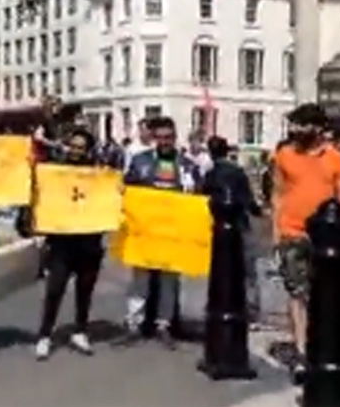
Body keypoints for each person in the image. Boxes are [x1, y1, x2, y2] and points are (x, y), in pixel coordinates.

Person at [272, 103, 340, 377]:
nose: (297, 130)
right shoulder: (284, 154)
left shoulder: (334, 158)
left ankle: (321, 345)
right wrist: (276, 233)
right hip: (292, 231)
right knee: (297, 293)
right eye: (295, 124)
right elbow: (278, 193)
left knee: (323, 293)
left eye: (303, 124)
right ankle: (301, 352)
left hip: (325, 236)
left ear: (319, 128)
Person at [116, 116, 201, 349]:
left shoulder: (187, 166)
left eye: (168, 137)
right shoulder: (140, 161)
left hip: (173, 234)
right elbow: (128, 189)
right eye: (160, 137)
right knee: (140, 279)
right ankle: (134, 323)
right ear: (154, 138)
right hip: (145, 232)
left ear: (175, 138)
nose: (164, 142)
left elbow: (198, 196)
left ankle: (164, 325)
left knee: (169, 280)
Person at [33, 128, 106, 360]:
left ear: (88, 150)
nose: (76, 151)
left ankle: (80, 331)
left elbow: (107, 199)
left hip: (89, 242)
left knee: (85, 290)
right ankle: (45, 335)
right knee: (54, 289)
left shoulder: (98, 174)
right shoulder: (57, 171)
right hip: (61, 242)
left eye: (80, 148)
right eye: (73, 146)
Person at [205, 136, 263, 327]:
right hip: (240, 223)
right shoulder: (237, 172)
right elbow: (248, 199)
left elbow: (203, 197)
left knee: (221, 269)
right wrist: (258, 210)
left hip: (218, 227)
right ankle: (251, 313)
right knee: (248, 271)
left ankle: (220, 305)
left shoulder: (211, 174)